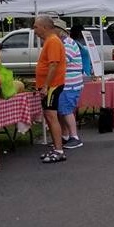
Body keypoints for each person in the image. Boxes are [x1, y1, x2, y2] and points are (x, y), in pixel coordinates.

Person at [33, 15, 67, 163]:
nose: (34, 30)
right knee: (49, 116)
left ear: (45, 27)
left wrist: (46, 85)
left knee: (51, 117)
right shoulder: (50, 41)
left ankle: (59, 150)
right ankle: (56, 147)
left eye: (36, 27)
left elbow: (53, 65)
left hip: (53, 85)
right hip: (49, 85)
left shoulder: (52, 41)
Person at [54, 19, 83, 149]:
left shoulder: (68, 44)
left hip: (70, 84)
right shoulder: (62, 43)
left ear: (59, 31)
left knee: (66, 110)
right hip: (66, 83)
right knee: (62, 110)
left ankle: (74, 136)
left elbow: (61, 62)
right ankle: (65, 136)